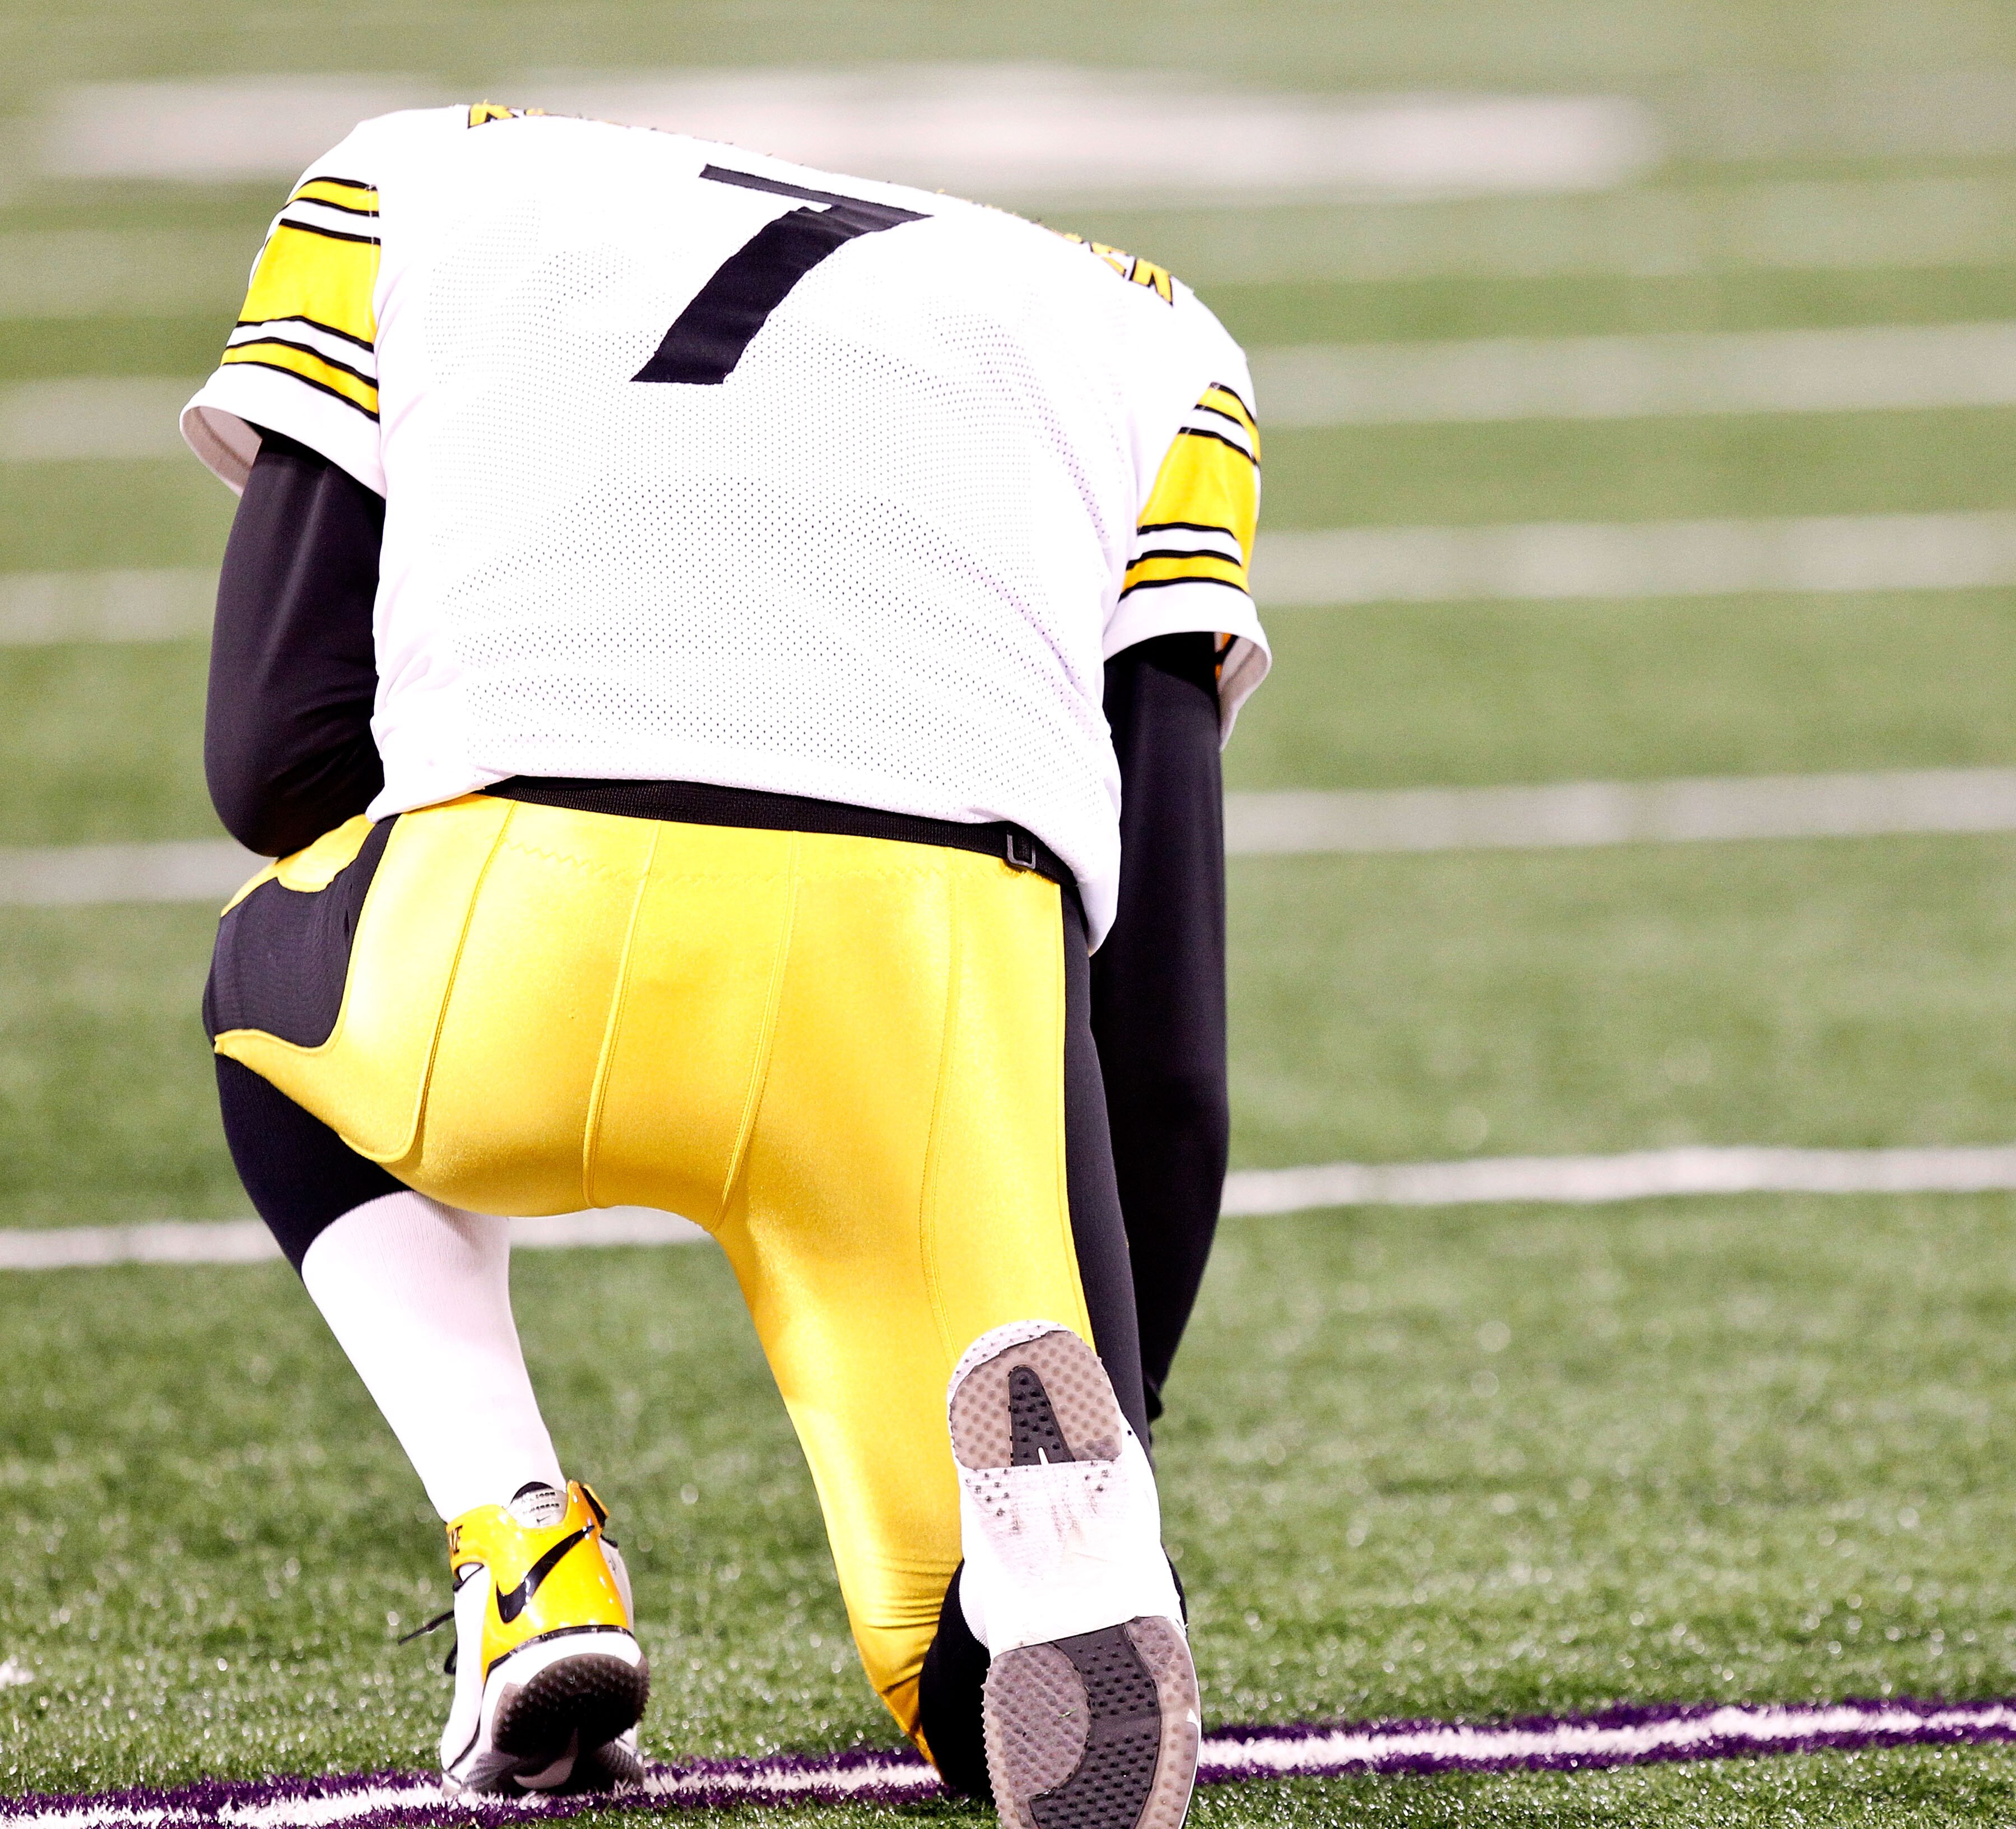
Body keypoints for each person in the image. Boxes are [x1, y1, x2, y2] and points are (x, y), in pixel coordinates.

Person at [180, 100, 1262, 1829]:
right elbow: (1167, 1033)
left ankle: (526, 1548)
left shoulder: (411, 176)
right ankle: (1047, 1573)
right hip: (928, 991)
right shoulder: (1153, 331)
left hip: (508, 946)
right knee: (961, 1665)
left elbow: (271, 763)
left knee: (266, 987)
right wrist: (1117, 1418)